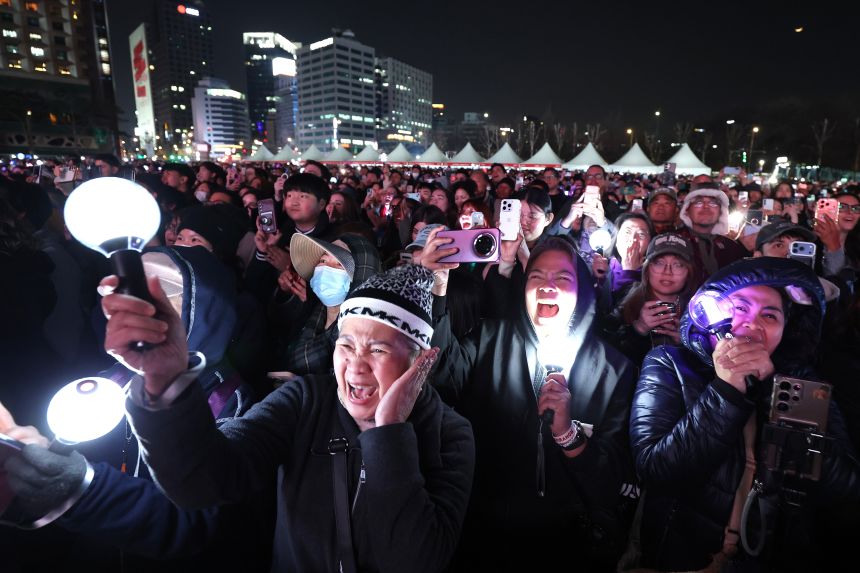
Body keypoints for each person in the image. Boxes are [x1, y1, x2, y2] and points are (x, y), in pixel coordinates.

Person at [92, 263, 474, 572]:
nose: (355, 367)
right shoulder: (305, 400)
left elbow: (416, 559)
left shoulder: (450, 434)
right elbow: (204, 480)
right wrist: (166, 380)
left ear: (420, 361)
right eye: (345, 345)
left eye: (377, 349)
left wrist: (390, 432)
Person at [421, 231, 637, 570]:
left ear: (581, 292)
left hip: (567, 545)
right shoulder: (489, 339)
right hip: (481, 534)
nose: (547, 286)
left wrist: (569, 434)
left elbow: (610, 483)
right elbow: (440, 376)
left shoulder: (614, 371)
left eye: (562, 278)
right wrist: (435, 285)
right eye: (536, 276)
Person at [628, 257, 860, 572]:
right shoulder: (669, 364)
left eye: (770, 314)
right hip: (685, 556)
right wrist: (726, 391)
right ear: (712, 314)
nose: (753, 323)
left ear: (785, 329)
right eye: (739, 308)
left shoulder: (804, 386)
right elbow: (656, 469)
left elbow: (846, 489)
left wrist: (780, 407)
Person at [602, 233, 696, 365]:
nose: (667, 271)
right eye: (659, 263)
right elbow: (603, 358)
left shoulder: (698, 312)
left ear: (689, 271)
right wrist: (637, 330)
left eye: (678, 265)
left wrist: (687, 345)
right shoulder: (625, 297)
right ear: (647, 268)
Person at [675, 186, 748, 289]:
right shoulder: (673, 242)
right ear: (687, 210)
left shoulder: (732, 247)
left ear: (721, 211)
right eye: (698, 203)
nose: (706, 206)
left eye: (713, 203)